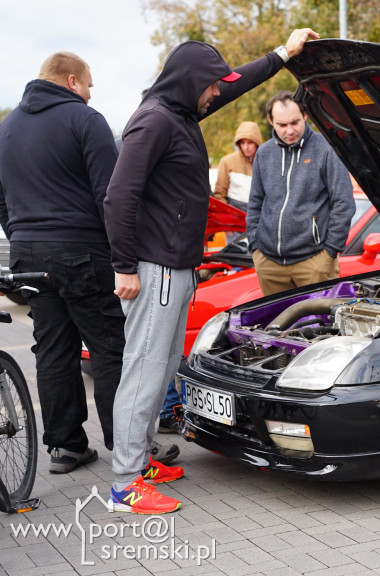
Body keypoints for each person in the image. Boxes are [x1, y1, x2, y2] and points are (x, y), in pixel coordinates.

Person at [103, 29, 320, 515]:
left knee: (160, 373)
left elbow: (236, 82)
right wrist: (123, 267)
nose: (217, 92)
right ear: (188, 81)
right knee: (143, 372)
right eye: (210, 85)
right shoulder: (153, 121)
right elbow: (118, 196)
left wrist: (284, 55)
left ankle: (141, 463)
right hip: (153, 269)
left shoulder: (179, 110)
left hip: (176, 267)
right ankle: (124, 485)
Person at [0, 52, 122, 474]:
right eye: (89, 85)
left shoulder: (7, 128)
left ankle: (66, 446)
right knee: (108, 347)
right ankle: (124, 445)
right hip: (82, 251)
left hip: (27, 255)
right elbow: (110, 195)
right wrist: (122, 256)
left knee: (53, 350)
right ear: (72, 81)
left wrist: (20, 236)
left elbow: (1, 198)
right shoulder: (86, 120)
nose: (90, 94)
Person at [246, 91, 355, 296]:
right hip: (269, 264)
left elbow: (343, 202)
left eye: (294, 122)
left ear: (305, 115)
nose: (289, 131)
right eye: (282, 125)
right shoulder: (264, 153)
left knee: (319, 325)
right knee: (275, 326)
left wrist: (330, 252)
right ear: (271, 121)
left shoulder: (327, 149)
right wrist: (255, 245)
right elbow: (255, 202)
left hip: (314, 263)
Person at [213, 120, 262, 211]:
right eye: (242, 143)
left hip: (257, 216)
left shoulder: (265, 162)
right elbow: (220, 194)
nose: (246, 147)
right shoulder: (227, 161)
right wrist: (227, 215)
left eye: (250, 142)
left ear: (257, 142)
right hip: (233, 216)